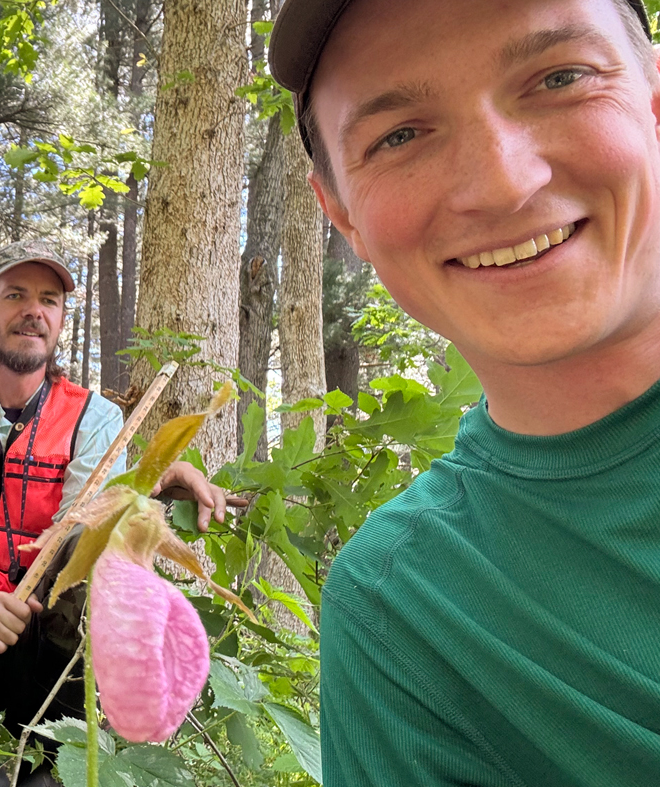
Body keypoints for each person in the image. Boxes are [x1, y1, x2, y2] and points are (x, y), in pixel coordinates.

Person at [269, 0, 660, 782]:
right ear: (341, 213)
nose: (503, 182)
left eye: (560, 78)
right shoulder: (406, 609)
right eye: (401, 136)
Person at [0, 240, 237, 746]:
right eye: (16, 295)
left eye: (49, 299)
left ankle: (71, 728)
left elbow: (86, 526)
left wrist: (146, 483)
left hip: (54, 644)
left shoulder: (97, 420)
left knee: (93, 534)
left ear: (60, 319)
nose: (34, 311)